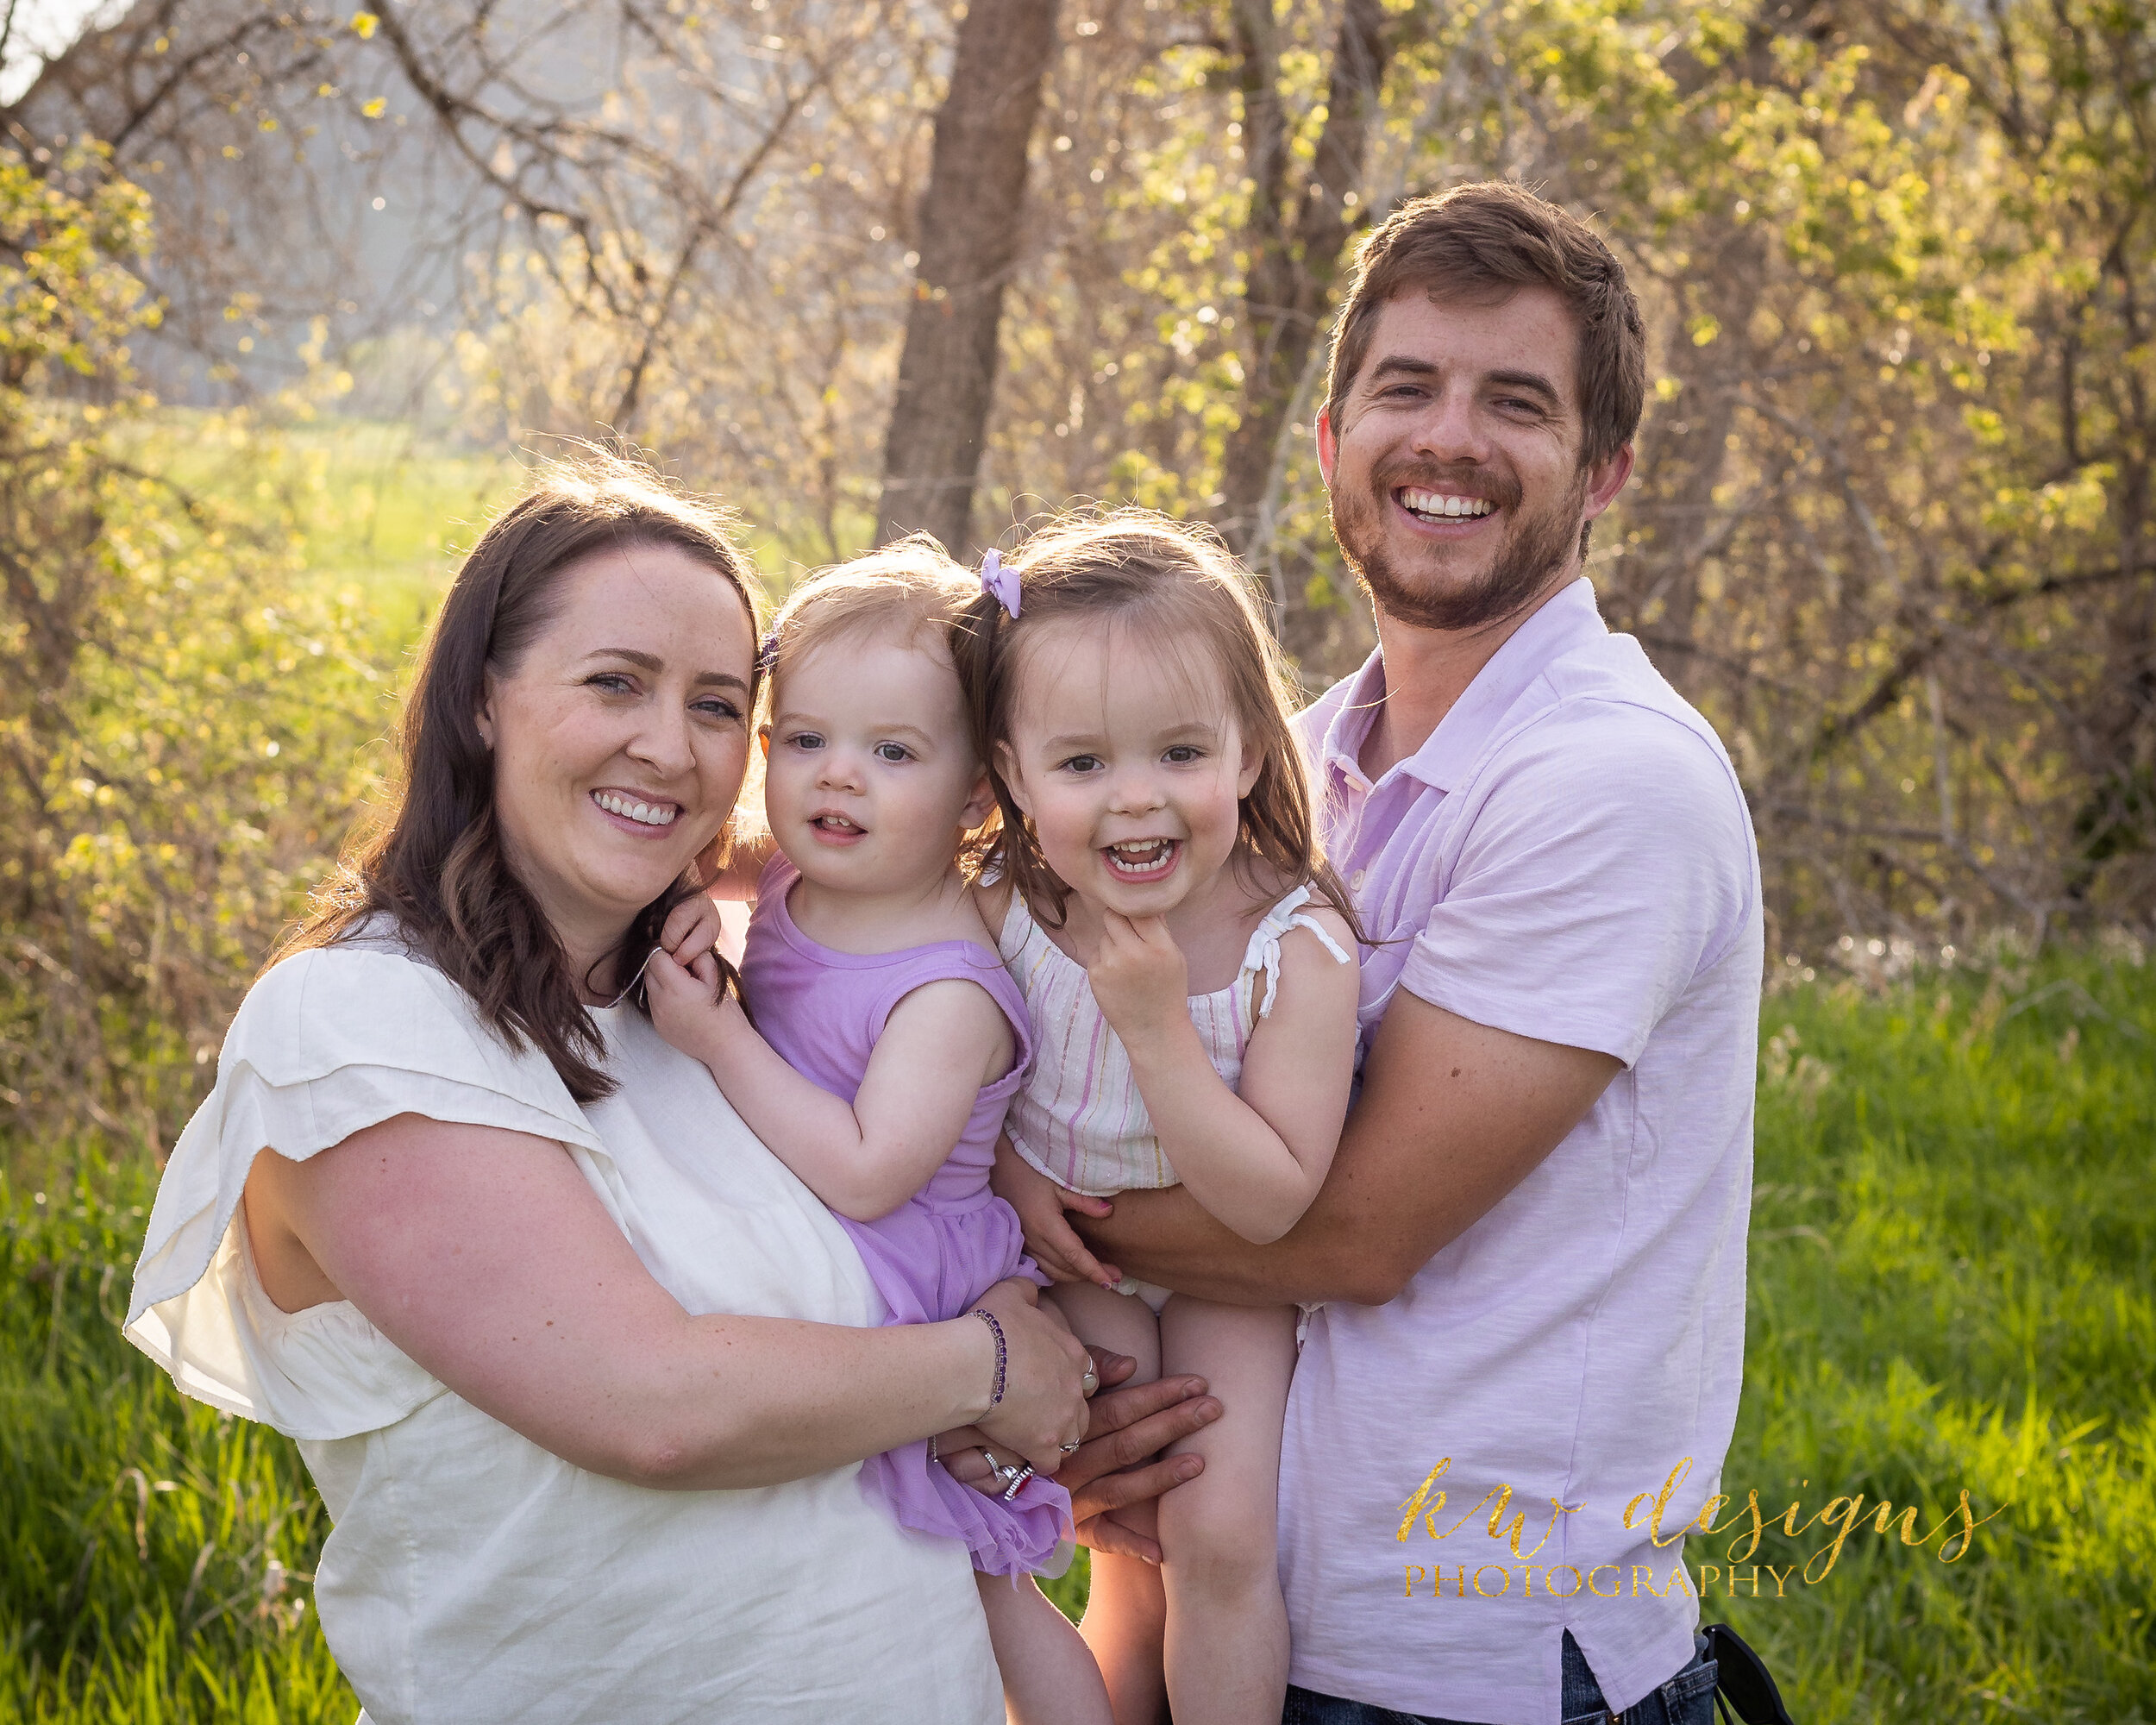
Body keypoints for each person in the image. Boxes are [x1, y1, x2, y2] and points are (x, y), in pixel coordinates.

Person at [119, 455, 1213, 1725]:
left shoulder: (700, 992)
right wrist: (985, 1367)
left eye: (713, 705)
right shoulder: (363, 1024)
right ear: (483, 700)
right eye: (614, 684)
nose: (669, 744)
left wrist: (1050, 1387)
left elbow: (872, 1266)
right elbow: (650, 1405)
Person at [1043, 184, 1764, 1725]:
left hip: (1465, 1663)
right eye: (1406, 389)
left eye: (1516, 402)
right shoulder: (1286, 771)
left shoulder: (1611, 780)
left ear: (1606, 471)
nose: (1447, 439)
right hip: (1224, 1605)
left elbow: (1355, 1232)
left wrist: (1028, 1205)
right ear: (1330, 442)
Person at [645, 542, 1112, 1724]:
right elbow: (721, 860)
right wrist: (693, 891)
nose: (837, 780)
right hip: (830, 1250)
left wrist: (717, 1041)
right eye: (806, 740)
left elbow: (867, 1172)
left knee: (984, 1586)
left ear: (974, 794)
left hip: (915, 1274)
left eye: (891, 753)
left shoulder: (946, 987)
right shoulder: (803, 876)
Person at [964, 514, 1363, 1725]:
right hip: (1073, 1265)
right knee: (1126, 1550)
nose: (1135, 801)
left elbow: (1273, 1202)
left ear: (1249, 748)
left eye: (1179, 752)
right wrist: (1015, 1182)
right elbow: (951, 1092)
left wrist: (1155, 1029)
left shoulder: (1296, 948)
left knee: (1219, 1532)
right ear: (1014, 775)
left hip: (1230, 1278)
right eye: (1081, 765)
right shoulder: (1007, 910)